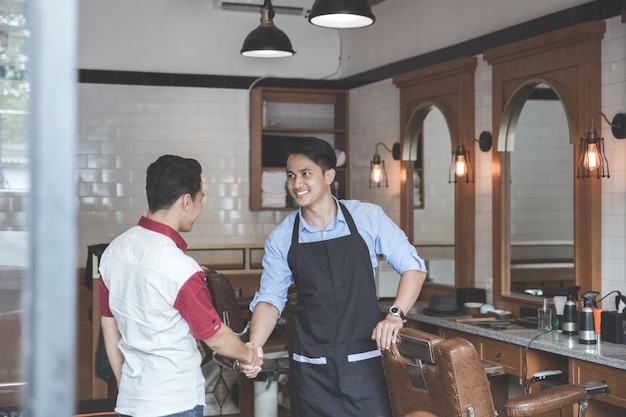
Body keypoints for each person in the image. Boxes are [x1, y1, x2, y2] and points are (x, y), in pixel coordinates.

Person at [248, 137, 427, 417]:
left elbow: (414, 268)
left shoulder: (368, 218)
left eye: (306, 173)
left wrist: (395, 314)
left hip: (365, 365)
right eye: (291, 175)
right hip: (311, 371)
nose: (297, 184)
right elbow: (271, 299)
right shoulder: (282, 237)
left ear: (328, 175)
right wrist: (254, 345)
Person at [99, 155, 263, 417]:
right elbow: (216, 337)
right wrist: (249, 356)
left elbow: (109, 326)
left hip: (132, 401)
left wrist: (125, 386)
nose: (201, 206)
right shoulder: (180, 268)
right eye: (201, 198)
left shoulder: (113, 252)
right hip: (175, 402)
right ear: (187, 201)